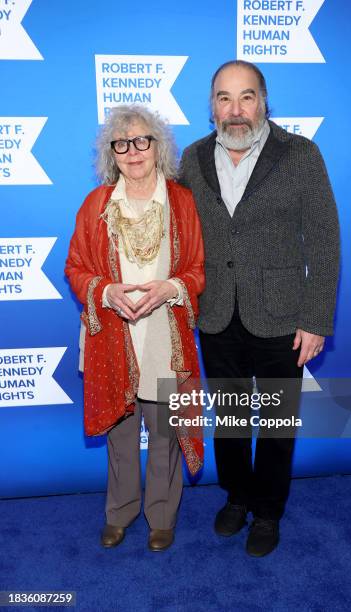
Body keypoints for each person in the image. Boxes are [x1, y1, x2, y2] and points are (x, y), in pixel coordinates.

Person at [179, 60, 340, 557]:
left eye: (246, 96)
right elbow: (181, 233)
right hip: (216, 313)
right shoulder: (192, 157)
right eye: (224, 98)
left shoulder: (300, 154)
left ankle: (268, 510)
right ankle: (237, 496)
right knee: (229, 416)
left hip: (281, 316)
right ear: (212, 107)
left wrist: (315, 319)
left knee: (274, 423)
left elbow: (325, 240)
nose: (235, 109)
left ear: (264, 101)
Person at [65, 104, 205, 552]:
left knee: (164, 434)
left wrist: (172, 287)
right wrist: (105, 292)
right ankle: (120, 513)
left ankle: (162, 515)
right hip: (111, 336)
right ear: (112, 153)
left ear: (157, 146)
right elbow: (75, 267)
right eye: (121, 144)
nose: (133, 151)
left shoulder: (182, 201)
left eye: (142, 140)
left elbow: (199, 270)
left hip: (165, 335)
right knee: (120, 434)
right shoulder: (96, 205)